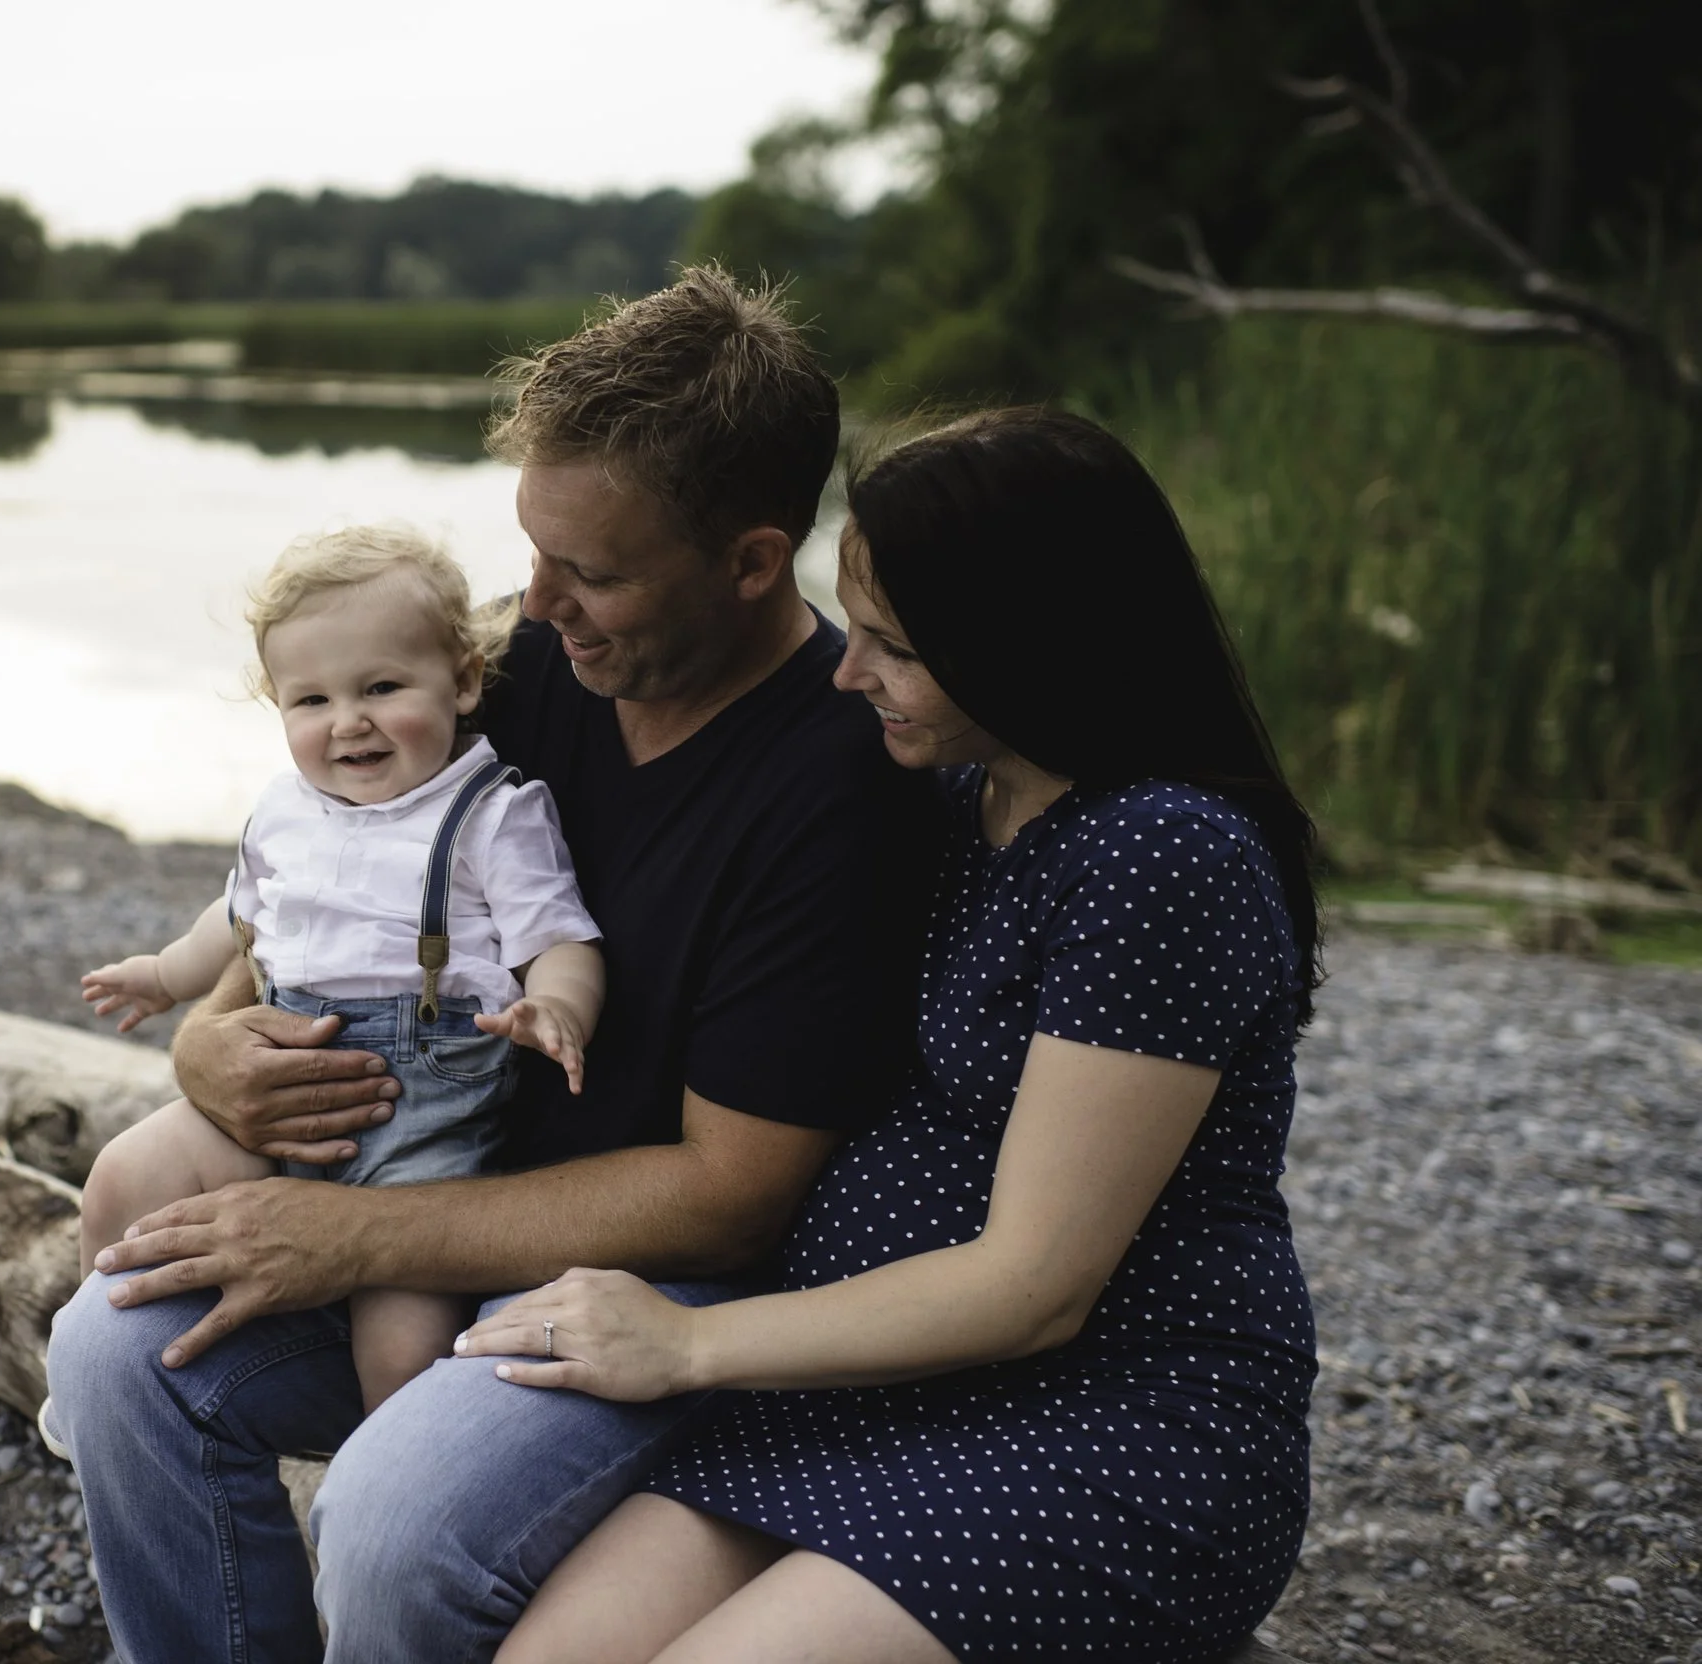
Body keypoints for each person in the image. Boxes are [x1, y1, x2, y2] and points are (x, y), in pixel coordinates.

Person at [42, 266, 945, 1664]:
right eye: (535, 555)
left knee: (395, 1526)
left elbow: (728, 1204)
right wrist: (207, 1040)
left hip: (664, 1298)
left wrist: (351, 1240)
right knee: (115, 1355)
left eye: (594, 574)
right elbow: (340, 863)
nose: (540, 605)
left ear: (756, 561)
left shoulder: (834, 792)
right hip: (433, 1178)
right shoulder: (546, 665)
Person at [459, 407, 1323, 1664]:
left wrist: (688, 1340)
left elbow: (1035, 1285)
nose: (847, 673)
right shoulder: (962, 796)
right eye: (851, 628)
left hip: (1108, 1420)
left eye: (894, 648)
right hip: (866, 1390)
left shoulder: (1159, 853)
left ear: (1033, 648)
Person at [71, 525, 606, 1416]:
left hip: (422, 1146)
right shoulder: (287, 812)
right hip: (273, 1113)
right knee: (125, 1176)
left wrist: (556, 1005)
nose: (346, 721)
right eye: (310, 700)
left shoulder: (491, 813)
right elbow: (242, 920)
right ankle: (85, 1346)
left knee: (403, 1350)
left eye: (382, 688)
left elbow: (559, 937)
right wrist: (164, 976)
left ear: (464, 680)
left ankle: (367, 1469)